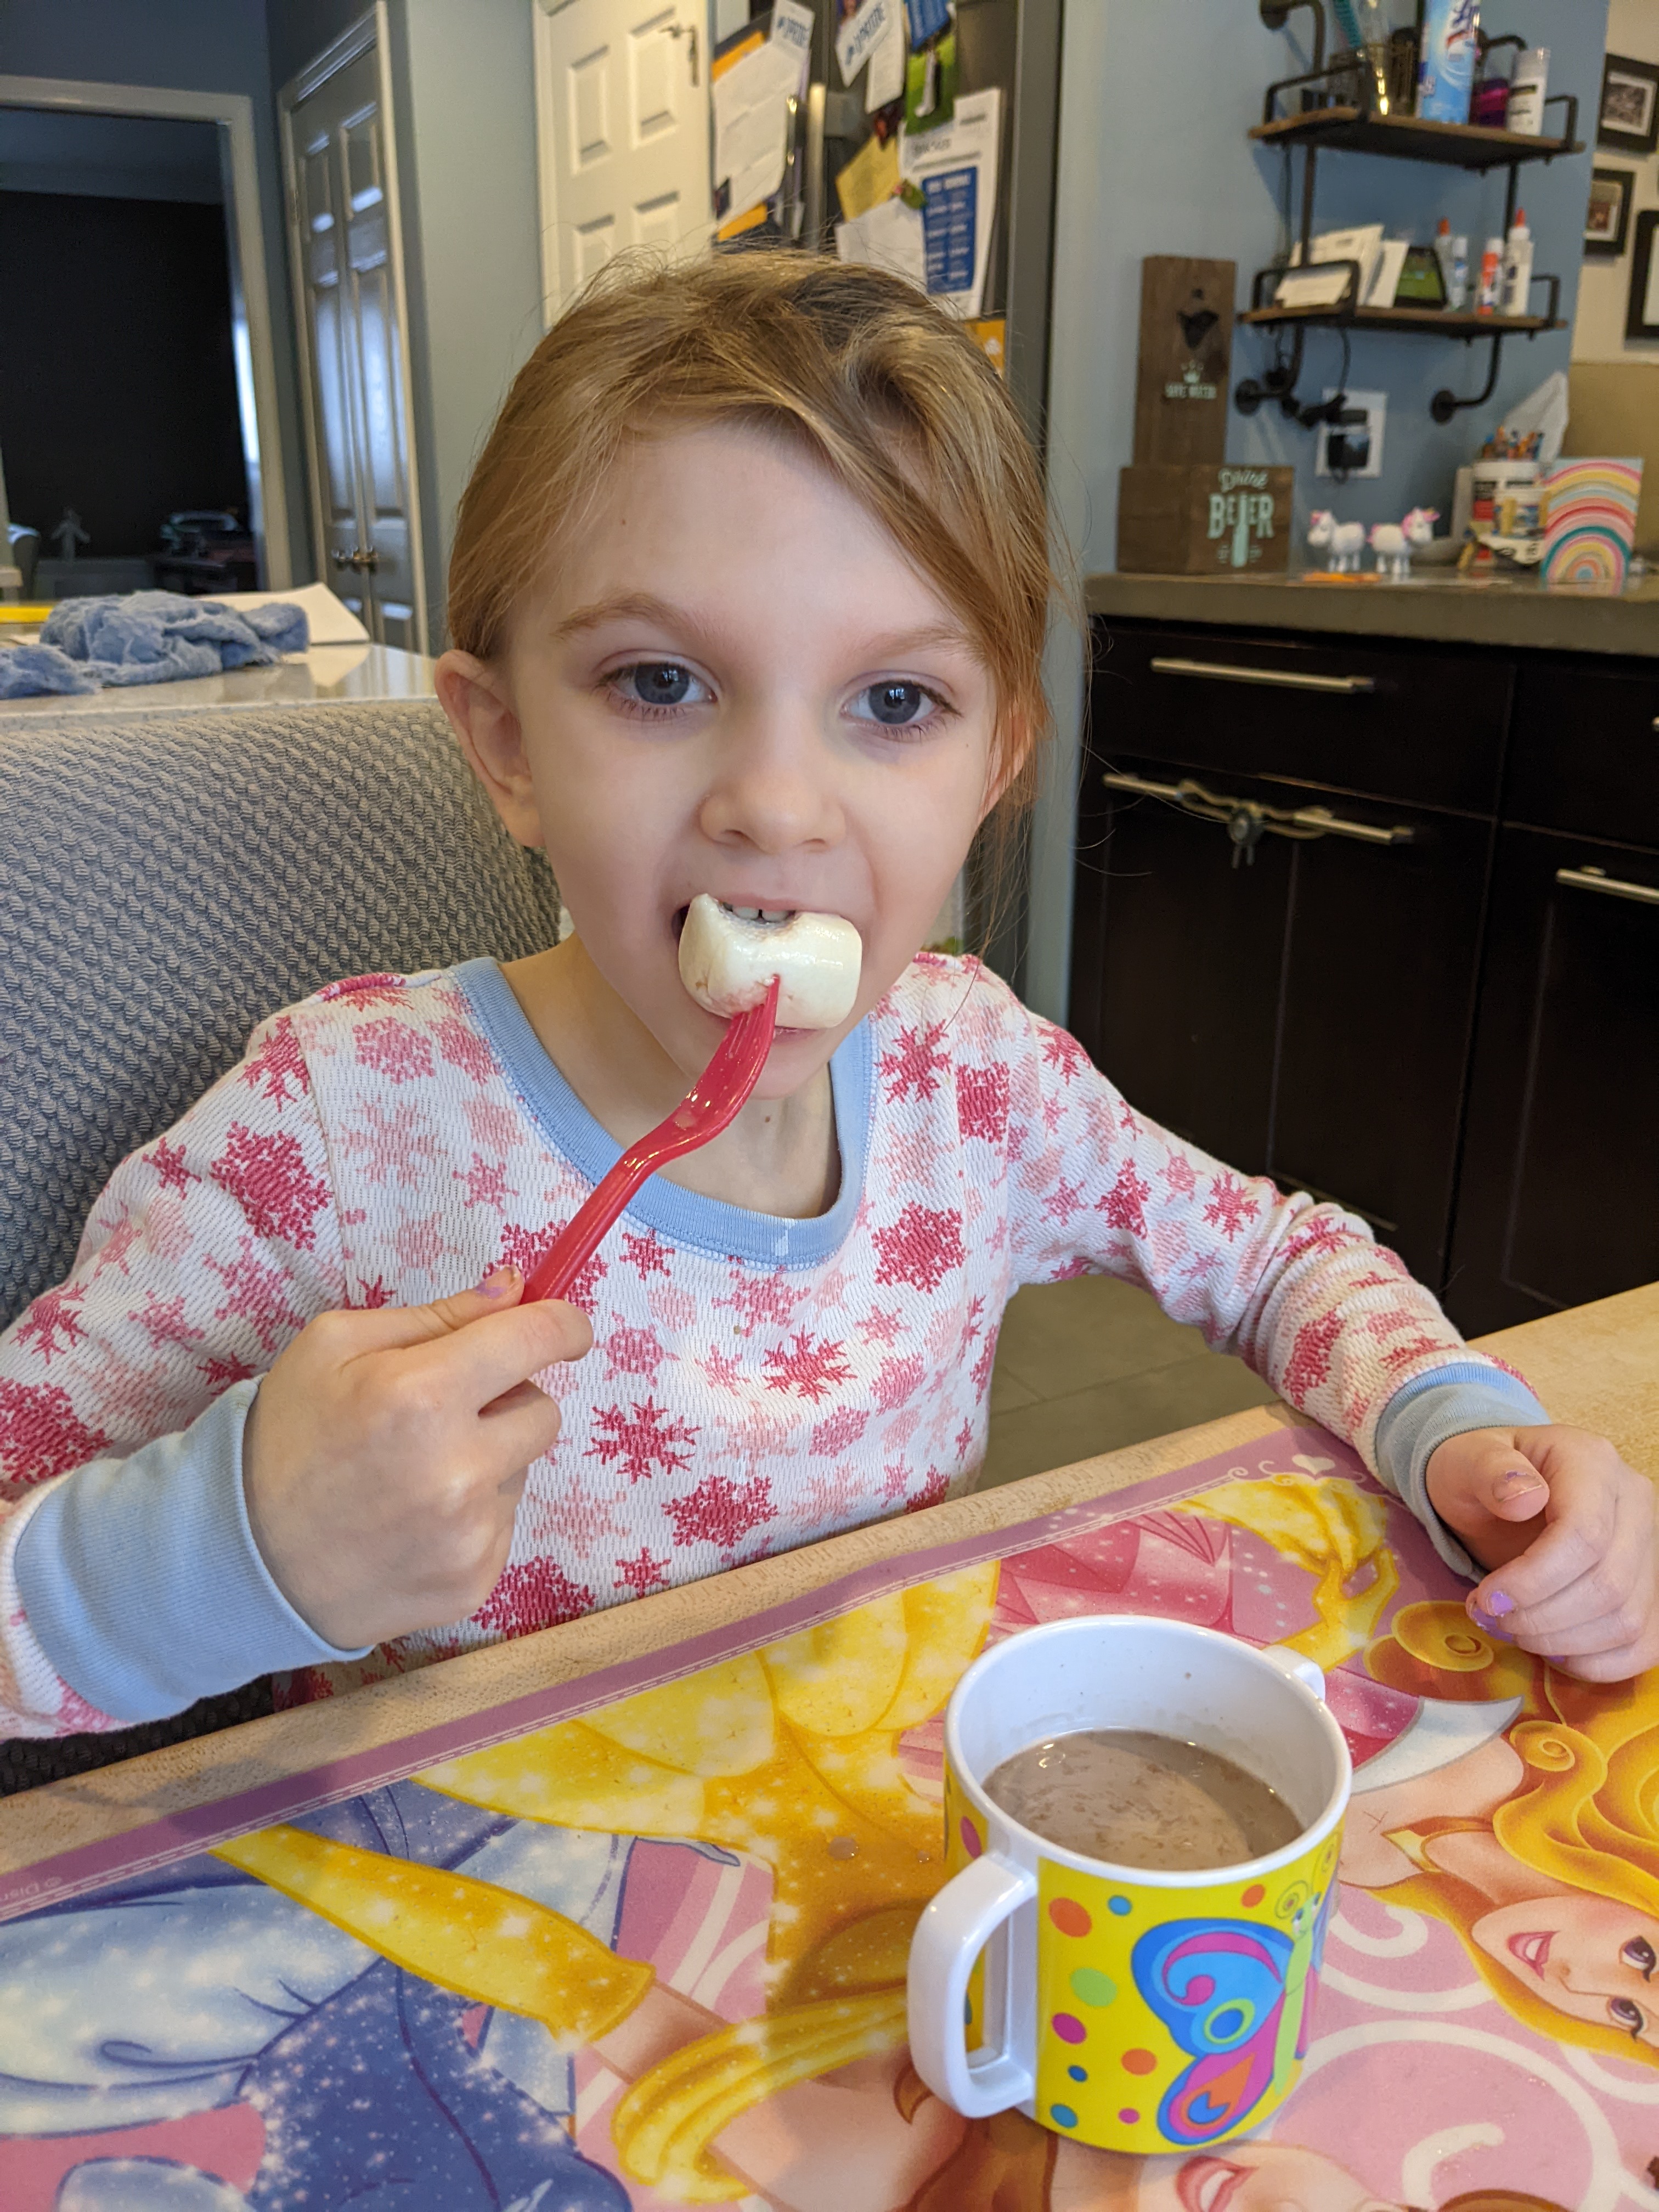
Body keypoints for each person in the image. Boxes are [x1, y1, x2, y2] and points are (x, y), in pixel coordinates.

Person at [0, 251, 1654, 1740]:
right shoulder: (335, 1131)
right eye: (660, 682)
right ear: (506, 747)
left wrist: (1462, 1437)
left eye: (895, 700)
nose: (778, 808)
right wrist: (245, 1547)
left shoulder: (976, 1078)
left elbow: (1283, 1262)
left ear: (996, 762)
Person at [1345, 1598, 1659, 2066]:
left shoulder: (1374, 1871)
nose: (1577, 1981)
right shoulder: (1486, 1767)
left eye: (1627, 2014)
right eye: (1639, 1955)